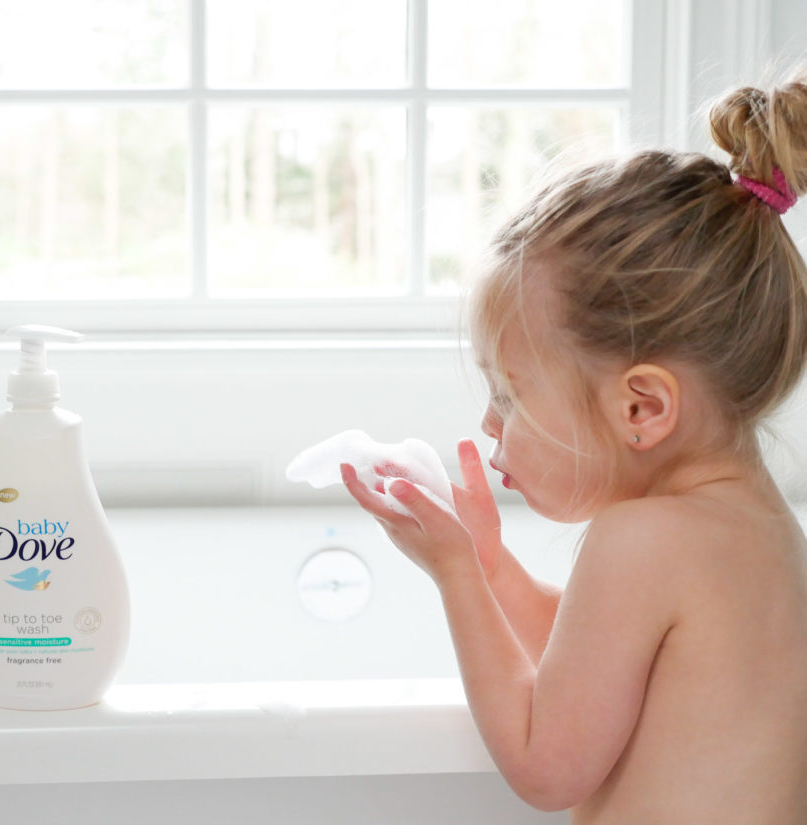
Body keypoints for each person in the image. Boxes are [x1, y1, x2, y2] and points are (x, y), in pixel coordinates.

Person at [342, 69, 807, 823]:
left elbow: (545, 764)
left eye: (511, 395)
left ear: (642, 406)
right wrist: (493, 564)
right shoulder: (763, 529)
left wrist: (457, 573)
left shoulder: (639, 538)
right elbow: (599, 656)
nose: (492, 425)